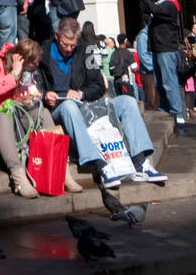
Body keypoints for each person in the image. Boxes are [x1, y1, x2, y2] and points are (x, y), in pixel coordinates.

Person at [37, 17, 166, 187]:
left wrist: (81, 93)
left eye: (72, 45)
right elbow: (34, 85)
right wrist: (46, 94)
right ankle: (100, 164)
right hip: (60, 108)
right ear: (56, 36)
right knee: (68, 106)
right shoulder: (42, 52)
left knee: (127, 102)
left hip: (86, 103)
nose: (68, 49)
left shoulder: (86, 50)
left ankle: (140, 161)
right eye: (64, 44)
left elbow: (99, 85)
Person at [0, 38, 70, 198]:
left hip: (16, 117)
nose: (36, 68)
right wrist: (13, 75)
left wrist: (37, 96)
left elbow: (26, 96)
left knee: (43, 113)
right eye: (34, 64)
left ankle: (61, 170)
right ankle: (18, 176)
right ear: (23, 60)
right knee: (4, 119)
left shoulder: (26, 70)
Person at [134, 0, 185, 128]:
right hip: (157, 48)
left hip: (166, 49)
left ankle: (177, 112)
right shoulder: (159, 4)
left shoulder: (170, 5)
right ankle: (164, 108)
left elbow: (154, 10)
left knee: (169, 82)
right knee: (160, 82)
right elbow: (147, 11)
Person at [134, 23, 157, 110]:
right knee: (152, 101)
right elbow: (143, 56)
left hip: (153, 72)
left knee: (156, 101)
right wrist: (155, 66)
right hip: (149, 73)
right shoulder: (143, 36)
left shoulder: (152, 34)